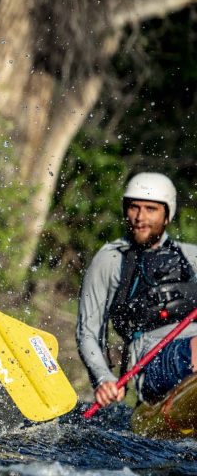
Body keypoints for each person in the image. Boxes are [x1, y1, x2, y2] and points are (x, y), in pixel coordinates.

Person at [77, 172, 197, 407]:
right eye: (134, 208)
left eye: (151, 209)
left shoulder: (192, 256)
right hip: (150, 360)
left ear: (167, 215)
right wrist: (103, 378)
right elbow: (88, 332)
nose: (140, 217)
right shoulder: (109, 260)